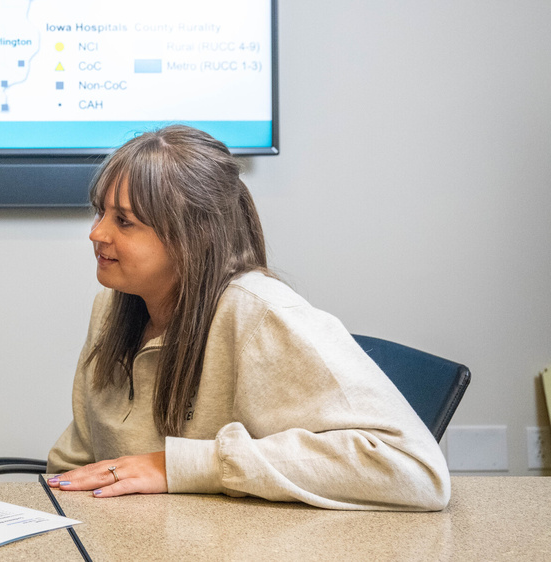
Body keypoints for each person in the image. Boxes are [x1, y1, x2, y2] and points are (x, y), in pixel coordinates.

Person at [46, 125, 449, 511]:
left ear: (192, 236)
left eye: (124, 221)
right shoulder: (112, 308)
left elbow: (414, 470)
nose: (96, 234)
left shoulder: (262, 314)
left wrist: (181, 466)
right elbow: (73, 466)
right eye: (100, 212)